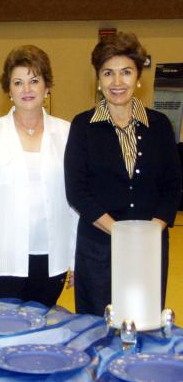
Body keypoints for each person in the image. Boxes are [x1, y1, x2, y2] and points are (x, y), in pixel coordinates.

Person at [64, 32, 182, 316]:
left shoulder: (160, 125)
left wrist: (148, 233)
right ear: (99, 80)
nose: (117, 83)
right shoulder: (83, 126)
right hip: (98, 250)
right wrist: (123, 234)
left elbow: (173, 186)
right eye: (108, 73)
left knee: (142, 324)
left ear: (138, 77)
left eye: (126, 72)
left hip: (149, 249)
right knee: (96, 328)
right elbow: (77, 190)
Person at [0, 45, 78, 307]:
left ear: (47, 87)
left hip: (51, 260)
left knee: (42, 329)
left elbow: (74, 204)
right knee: (3, 332)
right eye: (18, 82)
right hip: (1, 259)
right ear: (8, 90)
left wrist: (74, 257)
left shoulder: (68, 134)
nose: (27, 89)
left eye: (34, 80)